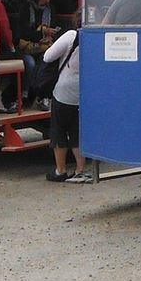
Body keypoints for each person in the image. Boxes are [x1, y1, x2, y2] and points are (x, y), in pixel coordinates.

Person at [43, 23, 90, 183]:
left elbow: (47, 56)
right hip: (84, 91)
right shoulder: (95, 39)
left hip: (64, 90)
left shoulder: (72, 35)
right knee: (77, 130)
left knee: (59, 129)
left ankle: (60, 170)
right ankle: (80, 170)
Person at [15, 0, 59, 107]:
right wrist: (43, 33)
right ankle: (26, 93)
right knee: (30, 63)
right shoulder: (25, 8)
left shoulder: (50, 9)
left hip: (44, 46)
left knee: (48, 62)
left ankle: (43, 95)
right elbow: (23, 33)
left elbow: (54, 27)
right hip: (26, 47)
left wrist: (49, 35)